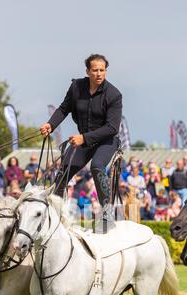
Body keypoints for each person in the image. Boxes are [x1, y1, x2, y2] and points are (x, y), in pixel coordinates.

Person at [40, 53, 122, 233]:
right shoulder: (76, 87)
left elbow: (112, 127)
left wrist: (84, 138)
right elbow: (63, 109)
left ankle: (108, 213)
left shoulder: (114, 95)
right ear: (88, 71)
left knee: (97, 167)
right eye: (95, 70)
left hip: (107, 141)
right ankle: (55, 215)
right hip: (83, 141)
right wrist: (50, 125)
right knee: (62, 173)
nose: (99, 74)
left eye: (102, 70)